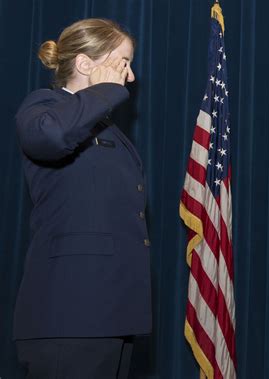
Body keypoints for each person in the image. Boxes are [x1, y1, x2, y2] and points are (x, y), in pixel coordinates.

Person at [14, 18, 151, 378]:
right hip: (69, 312)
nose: (130, 77)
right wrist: (104, 91)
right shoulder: (42, 106)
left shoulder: (106, 129)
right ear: (86, 64)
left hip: (112, 311)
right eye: (123, 63)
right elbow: (50, 137)